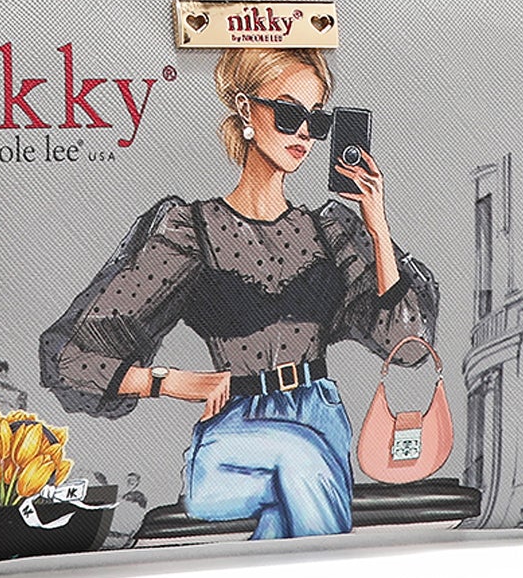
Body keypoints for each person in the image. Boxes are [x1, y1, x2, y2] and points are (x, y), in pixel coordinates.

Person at [40, 46, 438, 540]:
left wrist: (377, 228)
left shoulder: (330, 232)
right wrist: (174, 382)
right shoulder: (191, 230)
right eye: (289, 114)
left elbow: (407, 344)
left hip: (320, 422)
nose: (304, 134)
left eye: (316, 121)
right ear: (247, 109)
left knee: (284, 517)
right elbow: (69, 357)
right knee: (300, 461)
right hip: (232, 443)